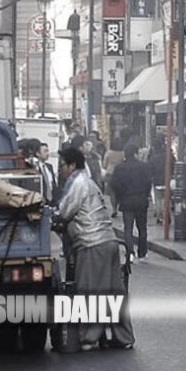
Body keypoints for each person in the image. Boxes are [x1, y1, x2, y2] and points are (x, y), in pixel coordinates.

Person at [54, 146, 135, 350]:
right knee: (114, 291)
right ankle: (123, 337)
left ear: (72, 165)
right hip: (109, 242)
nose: (59, 170)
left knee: (90, 291)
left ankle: (89, 338)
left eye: (61, 165)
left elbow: (64, 212)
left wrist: (51, 218)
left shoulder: (78, 183)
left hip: (92, 243)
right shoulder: (88, 181)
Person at [110, 143, 154, 262]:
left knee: (128, 228)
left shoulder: (120, 167)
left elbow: (114, 184)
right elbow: (148, 183)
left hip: (126, 200)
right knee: (142, 228)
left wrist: (121, 194)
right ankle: (142, 253)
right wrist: (145, 194)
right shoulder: (144, 167)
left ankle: (130, 253)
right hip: (141, 199)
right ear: (135, 153)